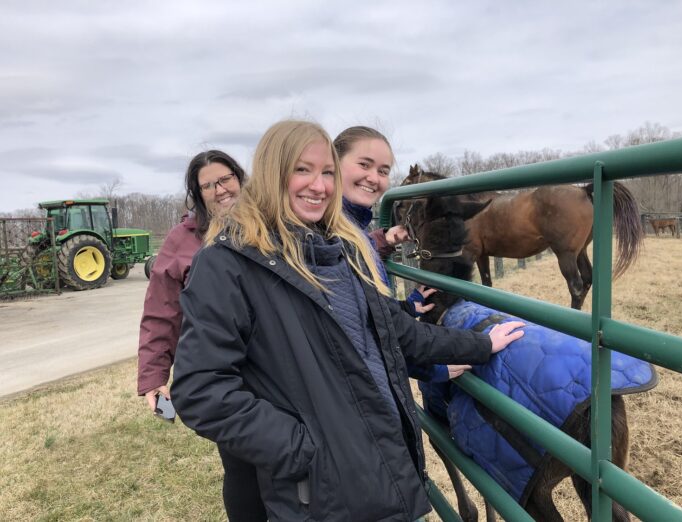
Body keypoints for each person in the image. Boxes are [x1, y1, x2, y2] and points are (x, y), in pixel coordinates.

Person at [171, 120, 524, 521]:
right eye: (302, 170)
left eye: (326, 173)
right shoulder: (227, 264)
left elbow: (399, 332)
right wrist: (306, 449)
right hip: (323, 494)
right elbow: (200, 391)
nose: (318, 186)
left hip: (385, 465)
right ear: (272, 173)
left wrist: (480, 345)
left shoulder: (341, 251)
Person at [137, 150, 266, 522]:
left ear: (240, 178)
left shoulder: (267, 221)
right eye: (207, 185)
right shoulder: (183, 239)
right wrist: (154, 376)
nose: (219, 189)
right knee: (241, 463)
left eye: (224, 179)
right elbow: (161, 310)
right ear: (197, 194)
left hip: (274, 357)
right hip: (225, 370)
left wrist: (381, 240)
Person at [335, 125, 469, 382]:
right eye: (364, 165)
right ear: (334, 163)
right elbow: (368, 336)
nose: (374, 178)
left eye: (383, 171)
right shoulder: (330, 234)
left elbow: (365, 318)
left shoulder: (351, 230)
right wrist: (433, 368)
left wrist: (378, 240)